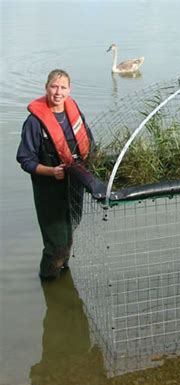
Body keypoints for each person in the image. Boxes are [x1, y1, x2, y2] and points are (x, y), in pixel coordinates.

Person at [16, 69, 94, 281]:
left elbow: (90, 145)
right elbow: (25, 159)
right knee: (57, 243)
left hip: (75, 185)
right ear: (46, 88)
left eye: (63, 87)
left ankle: (63, 278)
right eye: (54, 86)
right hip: (49, 190)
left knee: (70, 234)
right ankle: (49, 282)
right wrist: (51, 171)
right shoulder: (34, 122)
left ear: (69, 90)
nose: (58, 92)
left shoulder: (75, 113)